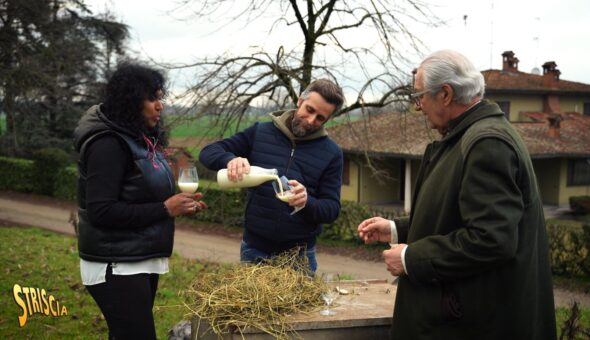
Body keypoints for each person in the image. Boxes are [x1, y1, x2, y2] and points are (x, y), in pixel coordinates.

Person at [357, 50, 556, 339]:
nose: (418, 107)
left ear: (446, 94)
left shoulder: (487, 144)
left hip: (475, 324)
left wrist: (412, 258)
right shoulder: (466, 138)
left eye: (420, 96)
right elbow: (456, 215)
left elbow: (491, 240)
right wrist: (396, 228)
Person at [73, 63, 206, 339]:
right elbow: (101, 211)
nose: (160, 106)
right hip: (115, 263)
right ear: (131, 100)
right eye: (152, 98)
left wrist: (175, 205)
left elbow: (144, 195)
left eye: (161, 97)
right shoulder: (108, 144)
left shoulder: (142, 140)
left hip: (138, 257)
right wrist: (165, 208)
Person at [199, 79, 344, 272]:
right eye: (309, 110)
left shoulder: (332, 153)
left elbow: (331, 209)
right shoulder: (260, 132)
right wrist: (229, 160)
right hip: (255, 250)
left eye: (320, 118)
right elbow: (208, 152)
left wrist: (306, 202)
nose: (311, 121)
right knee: (251, 304)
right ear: (300, 101)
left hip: (299, 257)